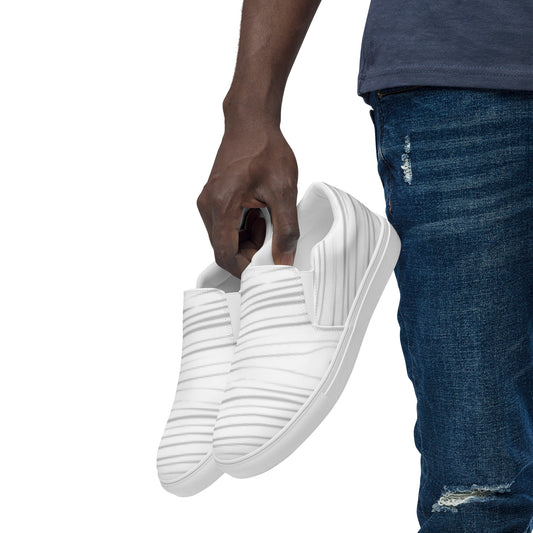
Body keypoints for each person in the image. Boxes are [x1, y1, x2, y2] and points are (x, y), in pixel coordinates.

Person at [195, 1, 533, 531]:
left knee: (477, 489)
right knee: (475, 490)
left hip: (461, 83)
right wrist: (249, 111)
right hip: (462, 72)